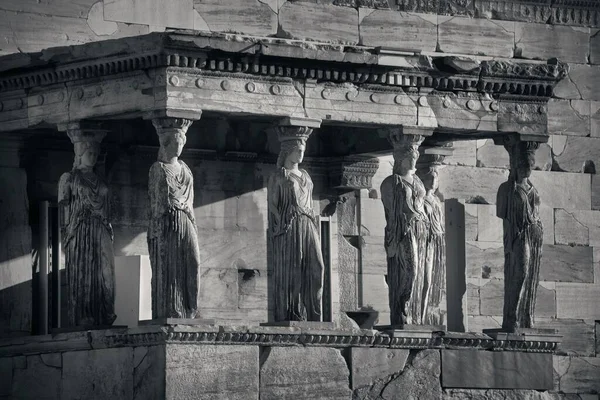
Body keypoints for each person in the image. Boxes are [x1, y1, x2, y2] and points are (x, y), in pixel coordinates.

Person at [59, 129, 116, 327]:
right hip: (80, 229)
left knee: (106, 272)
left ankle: (104, 313)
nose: (93, 157)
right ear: (80, 154)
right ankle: (84, 315)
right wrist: (66, 236)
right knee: (84, 273)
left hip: (101, 228)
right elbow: (63, 210)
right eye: (89, 153)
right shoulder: (69, 178)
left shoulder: (101, 180)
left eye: (95, 154)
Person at [268, 127, 324, 322]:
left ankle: (314, 312)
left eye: (303, 150)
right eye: (298, 150)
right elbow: (272, 206)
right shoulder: (279, 176)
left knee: (317, 265)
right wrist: (281, 225)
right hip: (290, 226)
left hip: (308, 223)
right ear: (288, 151)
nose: (301, 154)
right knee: (294, 270)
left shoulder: (306, 176)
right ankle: (293, 313)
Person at [148, 119, 200, 319]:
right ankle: (173, 308)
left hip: (186, 219)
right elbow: (155, 202)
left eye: (181, 143)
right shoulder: (157, 169)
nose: (179, 147)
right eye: (175, 143)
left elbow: (191, 198)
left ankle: (190, 308)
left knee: (193, 261)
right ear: (166, 143)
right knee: (171, 265)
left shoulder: (186, 169)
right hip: (168, 222)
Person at [381, 134, 428, 327]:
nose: (414, 160)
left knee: (421, 274)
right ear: (401, 159)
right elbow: (390, 213)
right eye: (410, 157)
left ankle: (414, 313)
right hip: (404, 231)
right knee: (411, 269)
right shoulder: (391, 182)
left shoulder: (418, 181)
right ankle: (401, 305)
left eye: (416, 156)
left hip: (421, 229)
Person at [496, 141, 543, 331]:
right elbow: (503, 214)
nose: (528, 169)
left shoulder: (533, 190)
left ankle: (525, 316)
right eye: (525, 165)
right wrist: (510, 239)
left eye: (531, 165)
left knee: (531, 275)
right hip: (517, 235)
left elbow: (536, 215)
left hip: (534, 234)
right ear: (516, 165)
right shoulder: (507, 189)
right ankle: (511, 316)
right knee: (520, 272)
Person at [420, 167, 446, 326]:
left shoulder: (436, 200)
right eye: (430, 178)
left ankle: (430, 315)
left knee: (436, 281)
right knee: (426, 279)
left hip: (438, 240)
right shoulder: (420, 199)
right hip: (426, 241)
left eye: (435, 179)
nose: (433, 182)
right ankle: (421, 315)